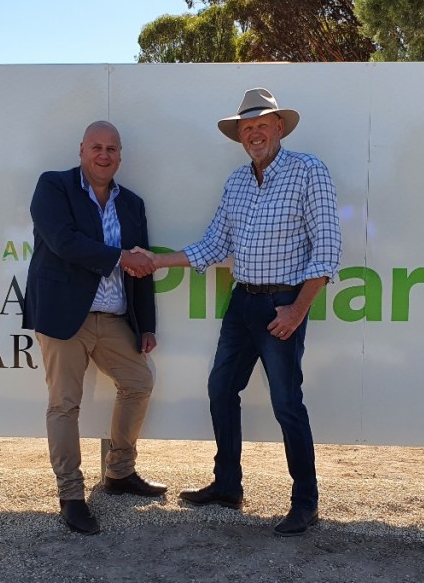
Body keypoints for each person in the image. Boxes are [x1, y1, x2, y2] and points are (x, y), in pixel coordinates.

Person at [135, 88, 341, 537]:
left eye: (261, 124)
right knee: (220, 388)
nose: (253, 133)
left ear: (279, 127)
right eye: (246, 128)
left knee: (287, 403)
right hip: (242, 302)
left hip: (282, 305)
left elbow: (326, 254)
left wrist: (296, 312)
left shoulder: (309, 171)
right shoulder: (237, 182)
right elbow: (213, 246)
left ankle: (306, 501)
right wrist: (155, 260)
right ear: (239, 136)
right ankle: (228, 485)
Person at [23, 120, 167, 536]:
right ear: (81, 149)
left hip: (114, 317)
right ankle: (70, 496)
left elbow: (141, 263)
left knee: (138, 382)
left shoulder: (132, 204)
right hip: (64, 316)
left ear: (120, 155)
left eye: (112, 149)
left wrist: (147, 324)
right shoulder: (54, 187)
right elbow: (63, 242)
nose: (104, 155)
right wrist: (120, 258)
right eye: (97, 147)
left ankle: (119, 474)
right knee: (65, 404)